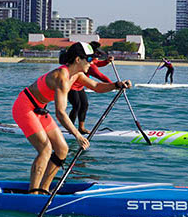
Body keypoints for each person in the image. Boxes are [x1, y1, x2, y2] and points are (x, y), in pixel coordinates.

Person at [12, 41, 131, 195]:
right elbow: (60, 113)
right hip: (25, 107)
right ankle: (32, 193)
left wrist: (116, 85)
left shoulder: (77, 75)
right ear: (77, 60)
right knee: (46, 149)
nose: (92, 63)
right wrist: (77, 135)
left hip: (40, 109)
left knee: (62, 149)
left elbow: (95, 86)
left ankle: (44, 189)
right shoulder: (61, 76)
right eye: (89, 59)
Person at [67, 41, 114, 134]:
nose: (97, 56)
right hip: (71, 87)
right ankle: (70, 128)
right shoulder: (89, 65)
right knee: (76, 106)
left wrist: (106, 61)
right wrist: (114, 84)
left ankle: (81, 128)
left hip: (80, 87)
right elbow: (100, 76)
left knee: (84, 105)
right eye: (96, 53)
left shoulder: (91, 60)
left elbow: (98, 64)